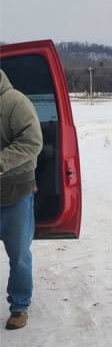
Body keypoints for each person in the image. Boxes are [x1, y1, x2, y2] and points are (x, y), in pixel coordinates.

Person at [0, 69, 43, 331]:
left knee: (19, 255)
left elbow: (32, 142)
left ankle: (19, 306)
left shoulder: (15, 102)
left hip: (15, 192)